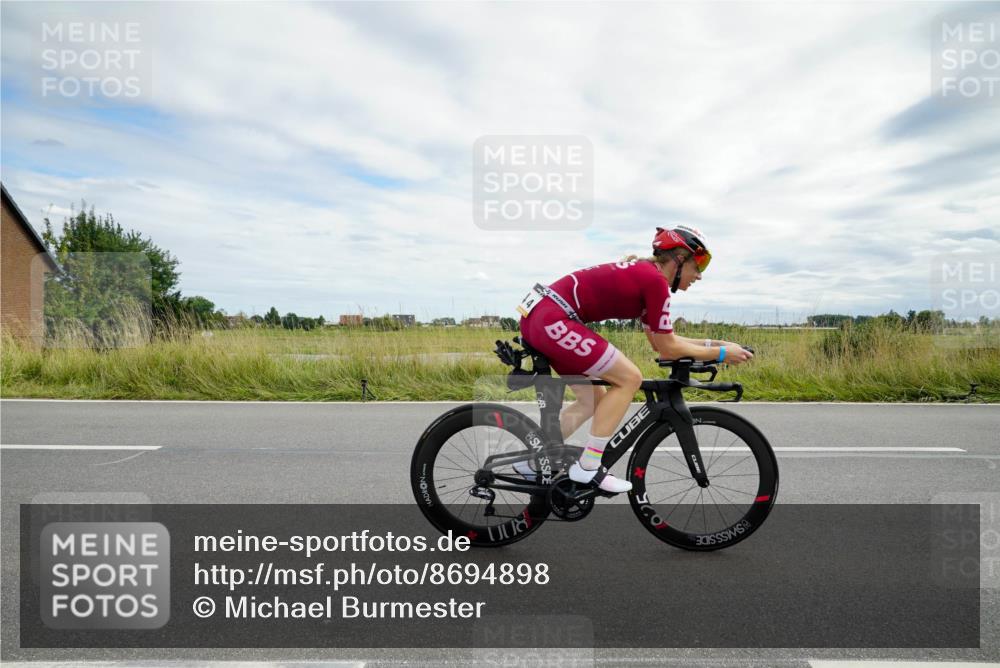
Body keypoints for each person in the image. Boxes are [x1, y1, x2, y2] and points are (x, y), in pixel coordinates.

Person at [515, 225, 753, 493]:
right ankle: (588, 467)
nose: (699, 275)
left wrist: (717, 344)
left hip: (542, 316)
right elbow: (668, 348)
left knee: (594, 399)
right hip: (553, 317)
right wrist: (722, 354)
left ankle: (535, 461)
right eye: (698, 265)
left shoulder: (648, 277)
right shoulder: (655, 282)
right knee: (629, 378)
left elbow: (661, 342)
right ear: (679, 259)